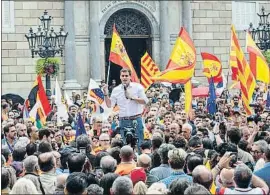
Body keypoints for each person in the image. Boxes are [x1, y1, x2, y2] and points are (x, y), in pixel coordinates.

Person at [103, 68, 148, 152]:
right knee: (124, 146)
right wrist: (106, 94)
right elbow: (110, 105)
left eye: (126, 76)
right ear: (120, 77)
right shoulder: (116, 90)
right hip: (123, 120)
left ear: (130, 77)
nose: (124, 78)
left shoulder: (137, 87)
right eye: (122, 76)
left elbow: (145, 101)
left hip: (136, 119)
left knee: (139, 144)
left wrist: (132, 97)